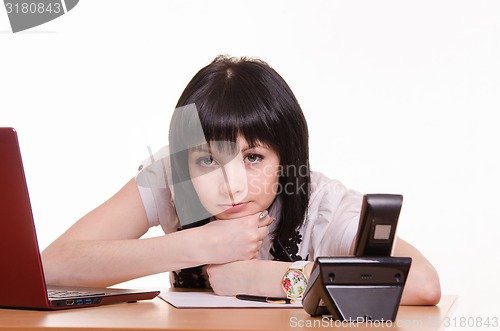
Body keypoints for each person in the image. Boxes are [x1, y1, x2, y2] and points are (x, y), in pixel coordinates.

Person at [41, 55, 441, 305]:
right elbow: (53, 266)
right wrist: (194, 244)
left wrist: (273, 279)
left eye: (253, 158)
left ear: (286, 158)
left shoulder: (322, 204)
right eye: (208, 160)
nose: (231, 186)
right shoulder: (171, 178)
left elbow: (422, 284)